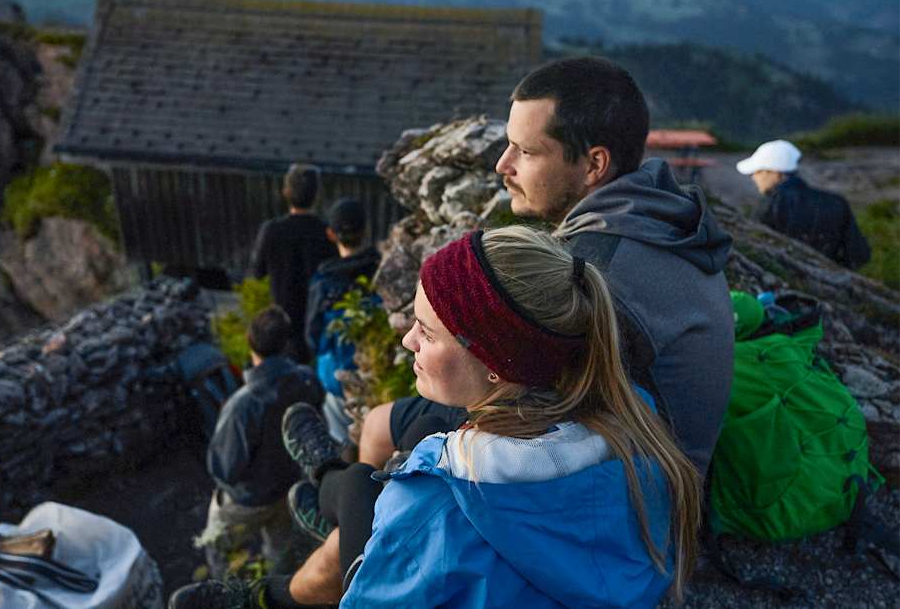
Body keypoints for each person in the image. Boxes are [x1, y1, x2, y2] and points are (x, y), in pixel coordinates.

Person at [224, 55, 733, 606]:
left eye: (526, 150)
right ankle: (334, 497)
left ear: (594, 165)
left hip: (619, 494)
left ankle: (317, 529)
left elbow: (519, 394)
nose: (501, 164)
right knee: (378, 432)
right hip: (629, 454)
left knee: (377, 454)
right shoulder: (659, 211)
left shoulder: (598, 277)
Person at [170, 227, 703, 608]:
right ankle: (324, 481)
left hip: (423, 541)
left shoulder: (435, 504)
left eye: (426, 332)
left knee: (358, 485)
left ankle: (271, 587)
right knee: (357, 486)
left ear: (495, 364)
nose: (406, 340)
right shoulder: (639, 429)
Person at [195, 306, 324, 578]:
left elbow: (224, 468)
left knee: (220, 550)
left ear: (248, 340)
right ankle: (278, 593)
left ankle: (228, 593)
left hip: (248, 500)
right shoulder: (307, 379)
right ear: (287, 343)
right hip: (289, 486)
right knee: (282, 556)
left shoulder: (242, 405)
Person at [303, 198, 380, 445]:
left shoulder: (324, 281)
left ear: (331, 234)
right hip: (377, 373)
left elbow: (313, 335)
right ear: (366, 230)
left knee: (342, 440)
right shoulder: (381, 270)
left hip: (336, 377)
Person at [249, 164, 338, 364]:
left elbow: (257, 272)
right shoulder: (325, 232)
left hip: (283, 321)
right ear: (316, 195)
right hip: (316, 319)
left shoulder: (271, 230)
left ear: (285, 192)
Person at [737, 139, 871, 269]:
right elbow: (858, 254)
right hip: (830, 282)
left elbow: (755, 247)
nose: (754, 177)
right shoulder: (836, 202)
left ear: (775, 173)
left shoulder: (770, 204)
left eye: (758, 171)